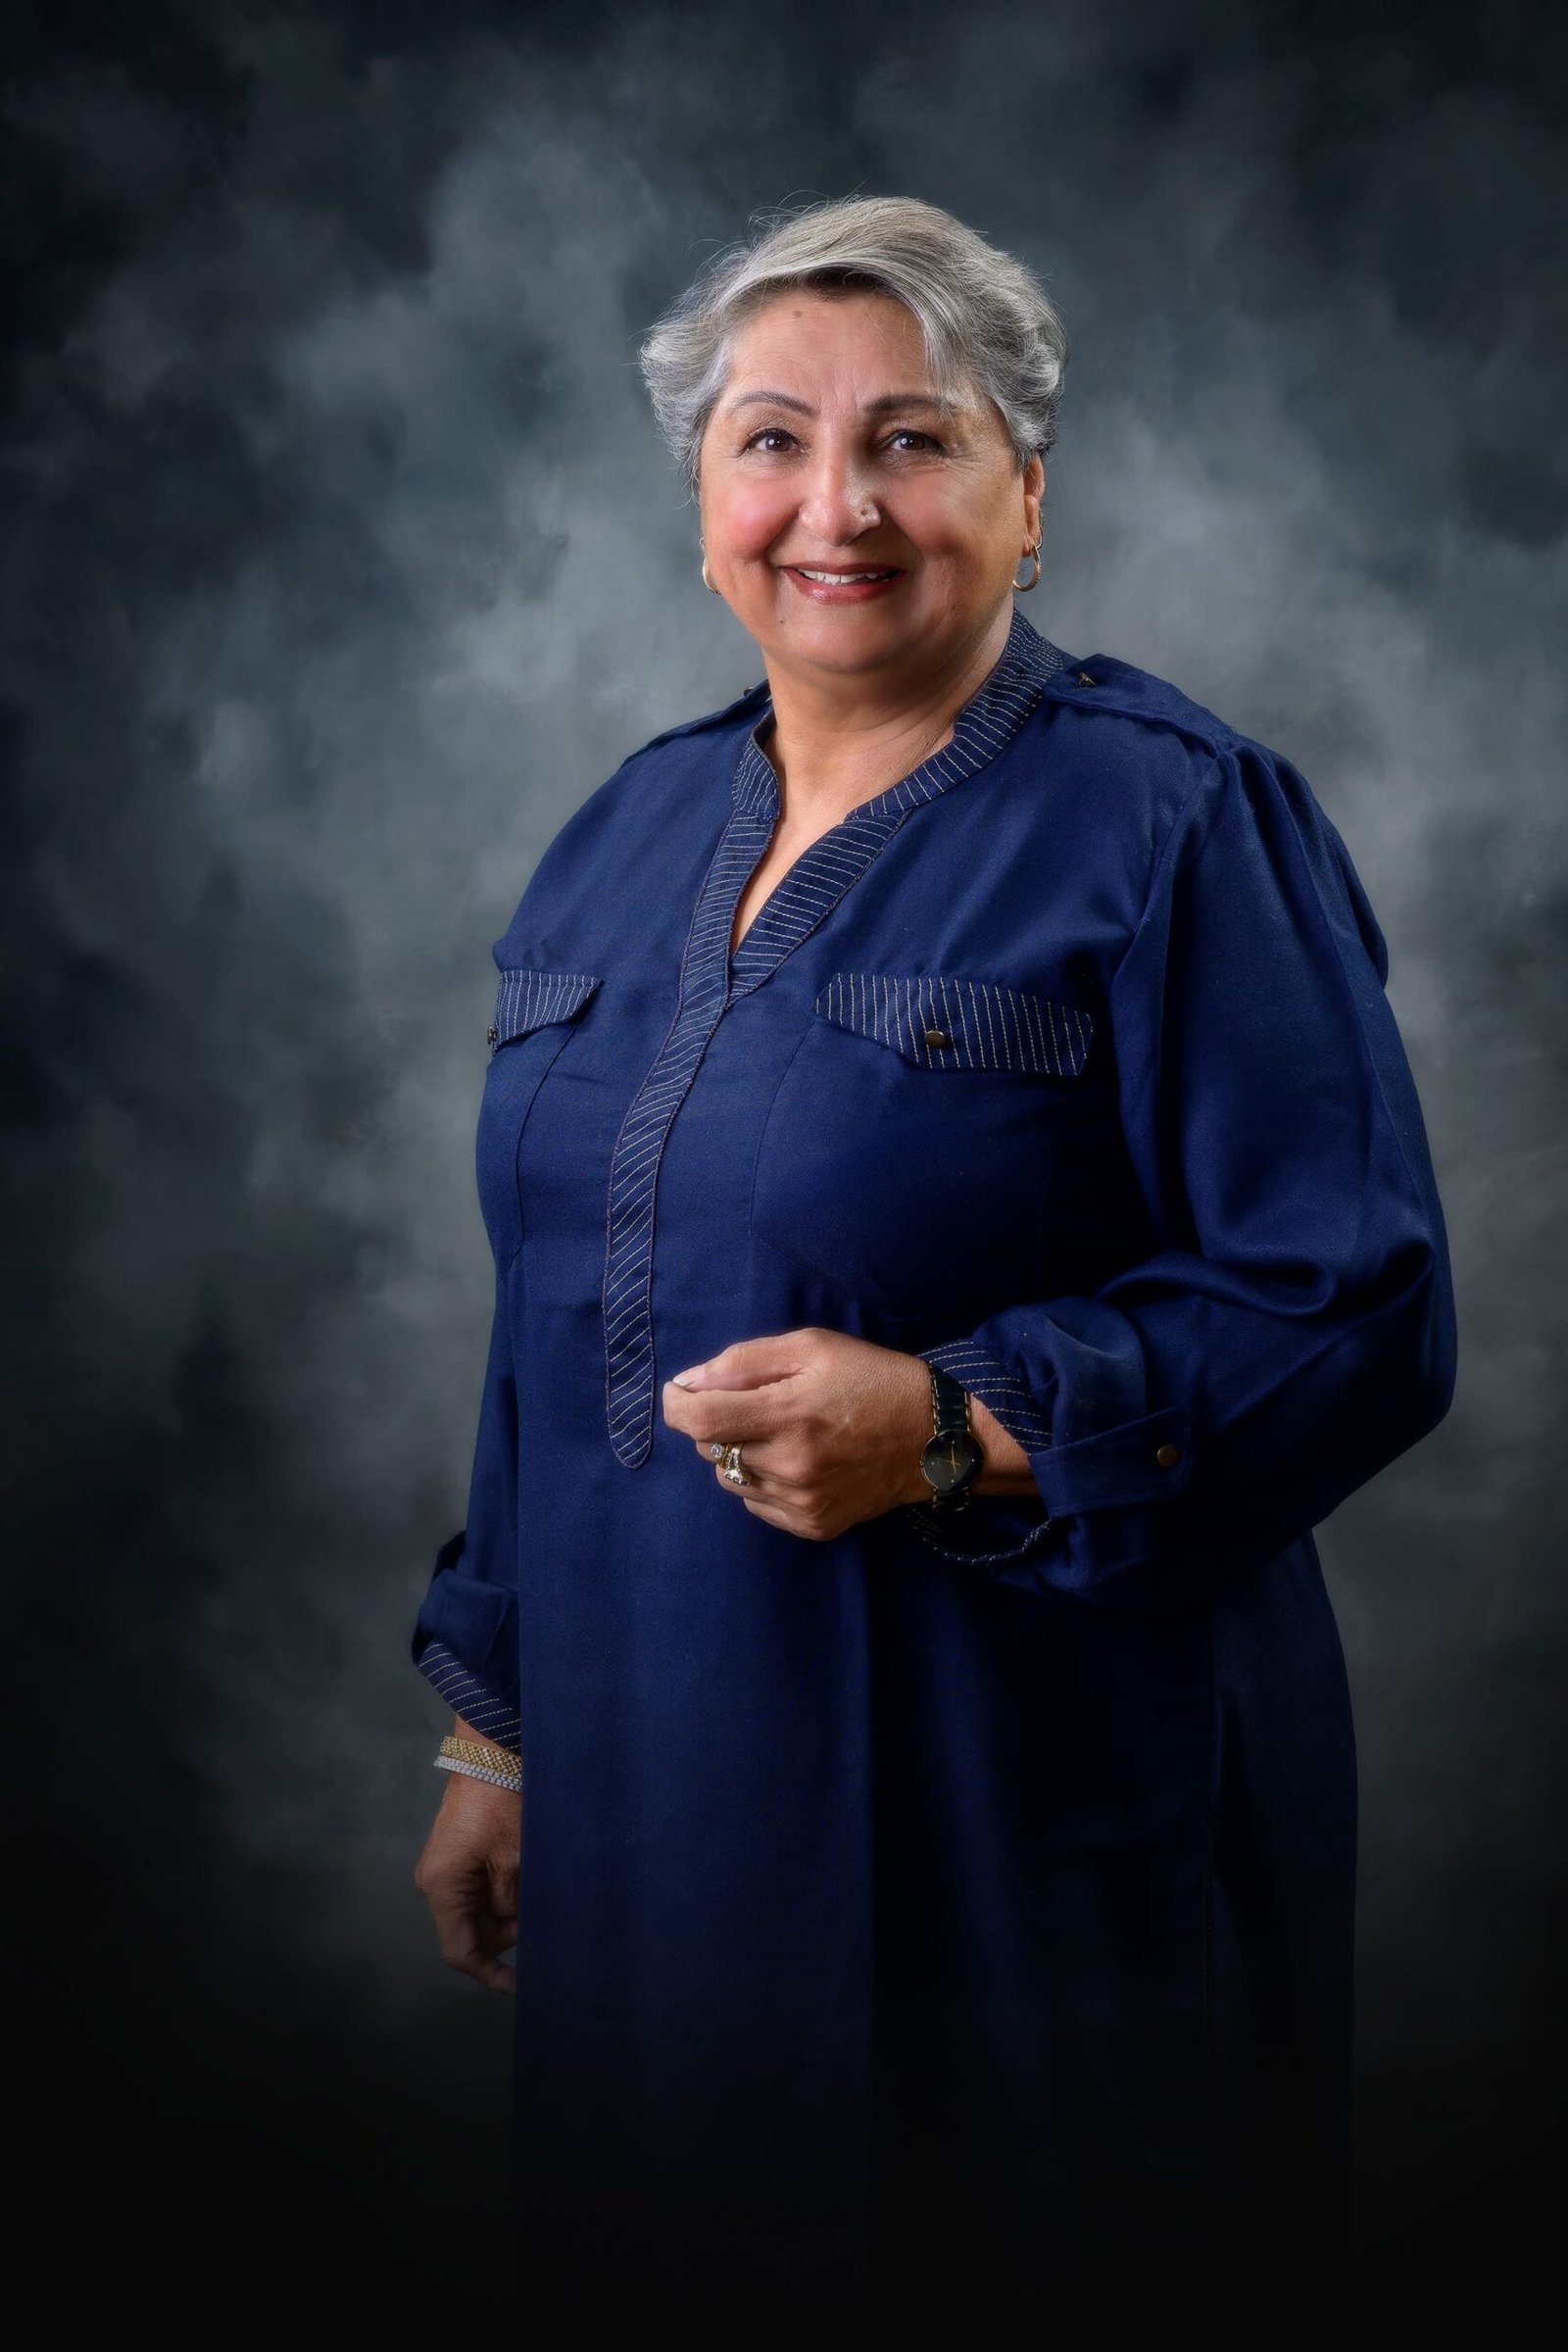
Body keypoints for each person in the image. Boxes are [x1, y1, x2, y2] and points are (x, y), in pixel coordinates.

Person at [410, 193, 1456, 2320]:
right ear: (703, 501)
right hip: (658, 1805)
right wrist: (496, 1735)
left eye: (911, 439)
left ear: (1026, 497)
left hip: (1031, 1816)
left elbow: (1352, 1307)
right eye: (771, 442)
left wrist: (964, 1427)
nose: (837, 507)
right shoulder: (618, 839)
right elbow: (549, 1325)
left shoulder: (1176, 819)